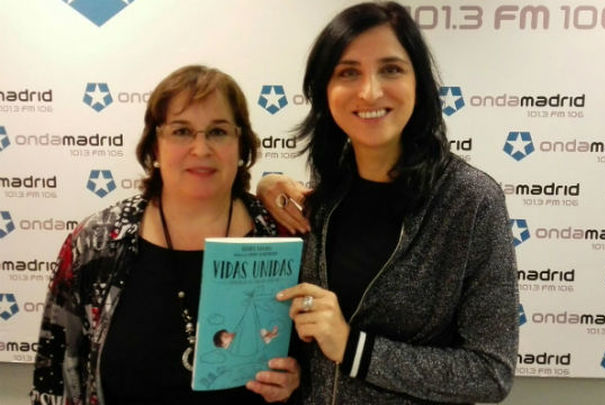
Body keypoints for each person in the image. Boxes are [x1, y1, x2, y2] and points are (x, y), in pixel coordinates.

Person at [258, 2, 519, 403]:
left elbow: (490, 373)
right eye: (348, 72)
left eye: (391, 69)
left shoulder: (470, 200)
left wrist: (354, 349)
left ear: (419, 83)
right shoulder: (325, 196)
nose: (370, 91)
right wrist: (294, 377)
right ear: (324, 90)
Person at [31, 65, 299, 405]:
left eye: (218, 132)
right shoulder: (96, 243)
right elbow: (53, 379)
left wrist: (298, 382)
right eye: (181, 131)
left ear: (241, 145)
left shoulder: (281, 236)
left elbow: (319, 363)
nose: (201, 149)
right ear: (154, 147)